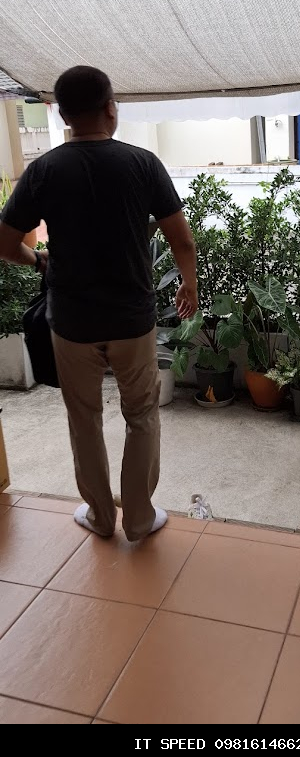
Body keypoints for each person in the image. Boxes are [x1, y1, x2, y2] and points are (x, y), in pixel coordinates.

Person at [0, 66, 198, 540]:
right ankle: (140, 518)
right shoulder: (142, 163)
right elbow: (182, 240)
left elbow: (5, 243)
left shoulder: (43, 170)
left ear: (63, 115)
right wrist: (189, 284)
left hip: (72, 322)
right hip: (132, 318)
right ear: (111, 108)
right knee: (142, 415)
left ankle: (101, 517)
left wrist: (38, 260)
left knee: (83, 418)